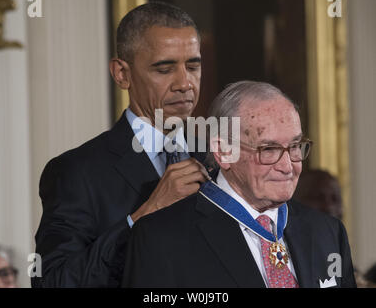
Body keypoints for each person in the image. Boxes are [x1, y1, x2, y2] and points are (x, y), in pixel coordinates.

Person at [32, 2, 208, 288]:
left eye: (193, 66)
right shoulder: (76, 172)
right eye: (164, 69)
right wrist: (144, 216)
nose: (185, 83)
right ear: (121, 74)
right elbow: (52, 281)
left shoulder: (217, 158)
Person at [123, 81, 357, 288]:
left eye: (295, 146)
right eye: (269, 150)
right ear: (224, 151)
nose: (288, 166)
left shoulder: (328, 232)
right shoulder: (161, 239)